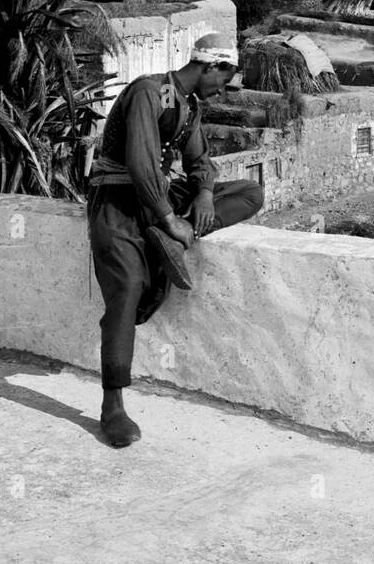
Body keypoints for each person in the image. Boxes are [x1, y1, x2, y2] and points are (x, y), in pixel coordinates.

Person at [86, 33, 263, 448]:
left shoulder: (190, 106)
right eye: (223, 78)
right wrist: (169, 217)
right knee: (127, 288)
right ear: (210, 66)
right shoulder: (150, 92)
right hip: (118, 197)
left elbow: (200, 161)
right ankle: (112, 405)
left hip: (161, 199)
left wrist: (202, 194)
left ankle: (175, 237)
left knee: (250, 193)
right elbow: (142, 164)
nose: (222, 89)